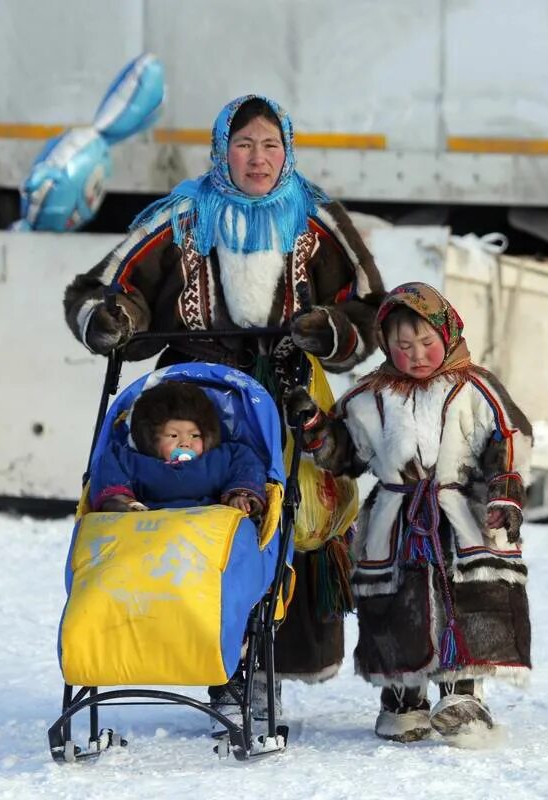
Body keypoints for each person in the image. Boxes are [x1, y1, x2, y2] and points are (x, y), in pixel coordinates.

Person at [62, 94, 386, 719]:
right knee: (192, 513)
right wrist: (116, 318)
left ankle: (269, 665)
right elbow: (101, 290)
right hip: (195, 396)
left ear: (287, 149)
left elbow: (369, 306)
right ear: (221, 150)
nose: (257, 158)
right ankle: (197, 649)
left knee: (283, 515)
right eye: (243, 145)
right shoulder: (180, 216)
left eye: (270, 145)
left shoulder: (318, 222)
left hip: (288, 393)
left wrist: (330, 330)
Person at [290, 282, 533, 745]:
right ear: (386, 344)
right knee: (395, 606)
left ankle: (462, 694)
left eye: (426, 343)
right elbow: (345, 453)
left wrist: (505, 493)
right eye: (403, 346)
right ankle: (402, 698)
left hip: (462, 514)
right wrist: (315, 428)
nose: (417, 355)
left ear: (448, 333)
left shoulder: (475, 387)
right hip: (395, 517)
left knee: (464, 599)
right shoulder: (368, 397)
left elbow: (509, 438)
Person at [91, 380, 266, 516]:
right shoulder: (137, 462)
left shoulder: (221, 458)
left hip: (210, 524)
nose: (185, 443)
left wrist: (240, 495)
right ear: (152, 440)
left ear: (207, 436)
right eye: (173, 436)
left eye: (195, 435)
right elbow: (111, 466)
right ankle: (122, 502)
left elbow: (247, 465)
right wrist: (120, 499)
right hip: (148, 523)